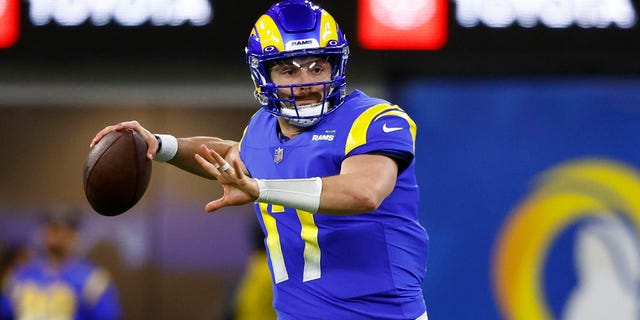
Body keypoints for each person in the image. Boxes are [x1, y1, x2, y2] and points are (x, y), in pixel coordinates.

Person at [90, 1, 429, 319]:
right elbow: (227, 155)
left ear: (336, 65)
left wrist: (260, 188)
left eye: (317, 66)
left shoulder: (374, 118)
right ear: (263, 75)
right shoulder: (262, 129)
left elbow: (363, 192)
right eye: (288, 70)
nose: (306, 83)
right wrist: (160, 145)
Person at [0, 206, 122, 320]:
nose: (52, 233)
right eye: (48, 227)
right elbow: (5, 311)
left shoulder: (92, 279)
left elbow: (108, 316)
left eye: (58, 228)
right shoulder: (21, 275)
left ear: (73, 234)